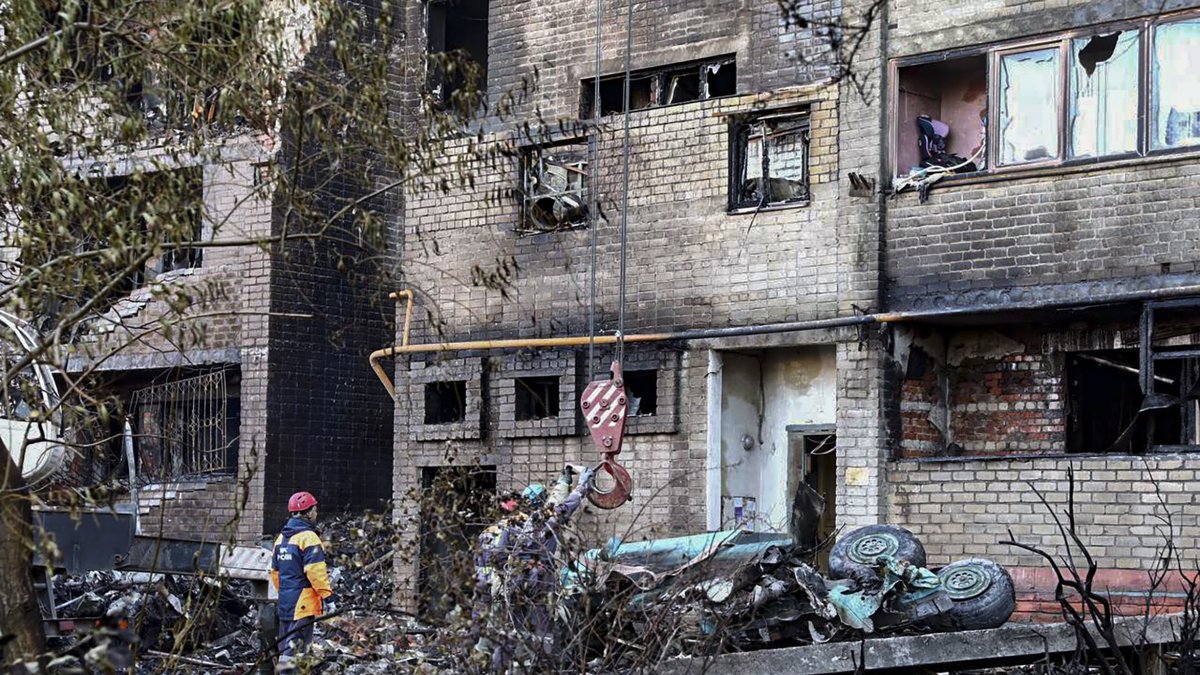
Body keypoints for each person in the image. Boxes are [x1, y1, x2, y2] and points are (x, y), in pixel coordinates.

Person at [271, 491, 336, 671]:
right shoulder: (308, 537)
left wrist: (285, 593)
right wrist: (327, 597)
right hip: (303, 604)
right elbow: (315, 571)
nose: (316, 513)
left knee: (286, 647)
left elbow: (275, 573)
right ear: (307, 512)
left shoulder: (281, 539)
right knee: (297, 650)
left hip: (286, 603)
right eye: (315, 510)